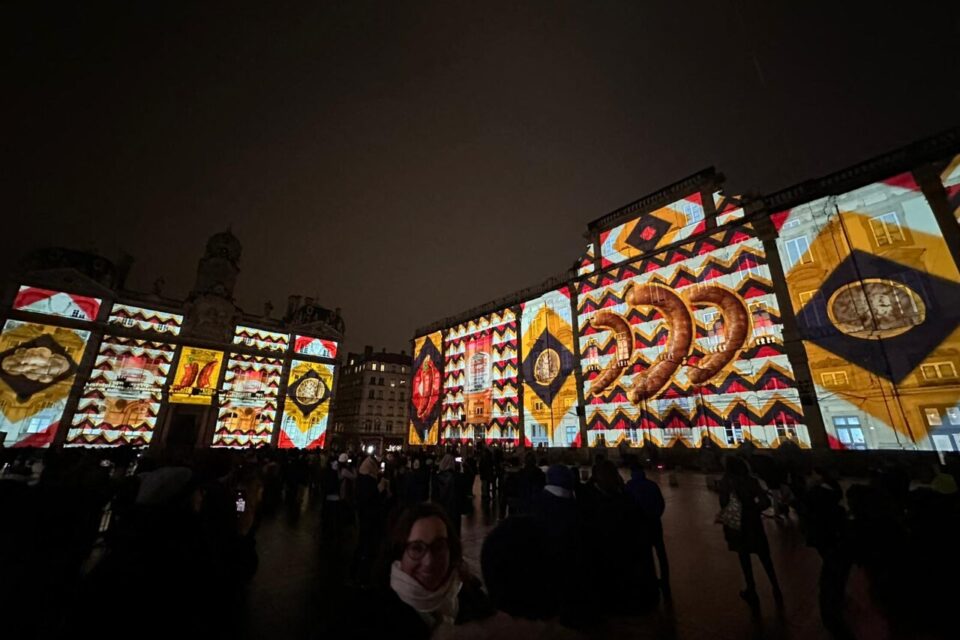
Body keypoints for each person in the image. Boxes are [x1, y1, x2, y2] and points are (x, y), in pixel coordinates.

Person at [335, 503, 491, 638]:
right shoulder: (367, 616)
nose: (429, 561)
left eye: (439, 547)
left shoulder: (475, 603)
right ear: (399, 553)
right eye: (416, 549)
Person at [718, 456, 783, 608]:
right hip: (754, 524)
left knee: (744, 557)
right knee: (765, 557)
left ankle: (751, 588)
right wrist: (754, 510)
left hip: (737, 525)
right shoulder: (751, 481)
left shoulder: (726, 483)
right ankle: (775, 586)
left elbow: (723, 503)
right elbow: (765, 501)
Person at [625, 458, 671, 600]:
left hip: (639, 526)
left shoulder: (630, 487)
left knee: (645, 555)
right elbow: (661, 503)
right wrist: (655, 515)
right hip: (655, 524)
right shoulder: (652, 485)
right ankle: (665, 582)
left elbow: (627, 507)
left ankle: (649, 582)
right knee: (661, 554)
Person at [431, 453, 461, 535]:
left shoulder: (437, 477)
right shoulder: (456, 477)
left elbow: (434, 496)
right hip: (453, 509)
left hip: (441, 509)